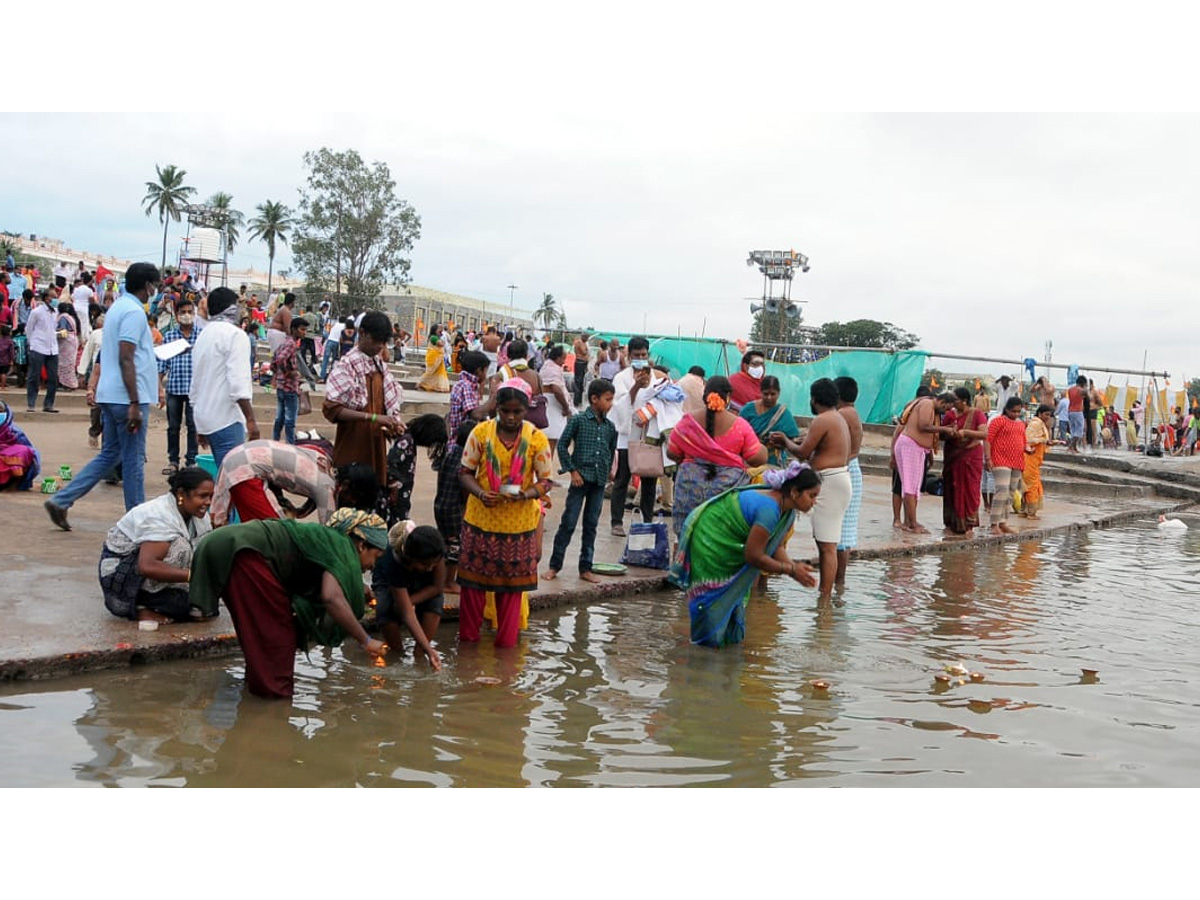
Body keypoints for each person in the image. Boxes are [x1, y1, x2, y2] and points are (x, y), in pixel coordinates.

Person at [188, 507, 389, 698]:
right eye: (376, 557)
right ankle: (274, 705)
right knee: (277, 639)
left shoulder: (332, 541)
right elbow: (331, 598)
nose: (372, 566)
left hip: (233, 546)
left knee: (263, 637)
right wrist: (367, 641)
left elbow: (329, 577)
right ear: (362, 545)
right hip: (246, 554)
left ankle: (258, 689)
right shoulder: (342, 547)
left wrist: (358, 588)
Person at [44, 263, 161, 529]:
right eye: (154, 285)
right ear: (147, 286)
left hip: (111, 394)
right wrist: (134, 401)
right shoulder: (133, 312)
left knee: (110, 455)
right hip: (126, 396)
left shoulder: (118, 307)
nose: (154, 291)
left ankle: (62, 499)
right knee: (133, 461)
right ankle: (136, 521)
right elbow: (126, 356)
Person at [670, 462, 820, 648]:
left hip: (726, 539)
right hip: (710, 540)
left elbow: (776, 546)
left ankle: (726, 655)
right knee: (708, 603)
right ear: (795, 492)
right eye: (811, 496)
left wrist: (793, 568)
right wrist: (789, 569)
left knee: (734, 604)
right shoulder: (769, 510)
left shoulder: (786, 511)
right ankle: (701, 654)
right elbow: (754, 556)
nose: (814, 501)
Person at [456, 378, 554, 648]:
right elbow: (465, 473)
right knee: (473, 590)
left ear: (526, 411)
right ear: (497, 408)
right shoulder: (481, 433)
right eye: (505, 411)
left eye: (517, 412)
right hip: (480, 521)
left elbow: (545, 481)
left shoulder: (536, 439)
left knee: (511, 594)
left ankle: (506, 656)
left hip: (518, 527)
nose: (510, 418)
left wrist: (526, 494)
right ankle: (467, 647)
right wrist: (479, 493)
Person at [768, 378, 852, 602]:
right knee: (827, 543)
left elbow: (803, 453)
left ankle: (824, 600)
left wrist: (786, 441)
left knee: (827, 546)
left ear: (814, 399)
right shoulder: (838, 417)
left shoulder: (823, 419)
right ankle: (826, 596)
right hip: (838, 480)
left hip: (831, 482)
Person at [99, 467, 214, 623]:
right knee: (181, 547)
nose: (208, 502)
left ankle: (164, 599)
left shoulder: (199, 516)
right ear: (181, 494)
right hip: (121, 576)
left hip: (153, 574)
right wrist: (195, 577)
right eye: (202, 496)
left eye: (210, 497)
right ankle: (139, 605)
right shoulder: (159, 515)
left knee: (205, 606)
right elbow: (147, 566)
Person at [668, 375, 766, 538]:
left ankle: (681, 562)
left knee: (686, 536)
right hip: (725, 495)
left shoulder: (688, 421)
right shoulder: (740, 426)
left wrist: (692, 460)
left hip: (689, 490)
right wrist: (762, 448)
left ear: (704, 395)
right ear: (728, 398)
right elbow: (756, 458)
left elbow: (672, 452)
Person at [545, 378, 617, 583]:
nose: (610, 404)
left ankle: (585, 567)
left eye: (611, 400)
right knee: (568, 522)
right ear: (594, 399)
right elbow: (562, 446)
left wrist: (609, 472)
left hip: (599, 481)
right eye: (607, 399)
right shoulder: (578, 420)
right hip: (580, 480)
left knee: (591, 524)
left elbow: (610, 452)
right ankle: (554, 566)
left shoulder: (610, 427)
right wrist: (572, 471)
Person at [323, 310, 405, 487]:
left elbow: (387, 404)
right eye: (376, 340)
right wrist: (373, 417)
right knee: (351, 495)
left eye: (383, 342)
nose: (379, 346)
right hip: (353, 445)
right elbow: (332, 408)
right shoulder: (346, 365)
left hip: (376, 446)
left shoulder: (379, 366)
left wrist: (392, 424)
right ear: (362, 334)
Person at [609, 336, 680, 536]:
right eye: (636, 355)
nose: (640, 358)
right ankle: (617, 521)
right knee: (622, 478)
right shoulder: (622, 378)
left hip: (650, 435)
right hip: (628, 436)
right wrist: (636, 387)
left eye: (644, 354)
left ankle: (647, 522)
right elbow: (618, 408)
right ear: (629, 356)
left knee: (649, 479)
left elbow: (665, 403)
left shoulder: (656, 378)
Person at [190, 286, 260, 471]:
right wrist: (251, 420)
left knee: (223, 477)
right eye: (238, 306)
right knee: (234, 479)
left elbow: (195, 383)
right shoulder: (236, 335)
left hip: (206, 416)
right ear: (231, 308)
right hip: (226, 418)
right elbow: (238, 382)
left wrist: (200, 424)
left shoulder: (204, 334)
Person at [209, 439, 337, 527]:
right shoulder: (326, 485)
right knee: (273, 532)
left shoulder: (316, 456)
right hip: (245, 469)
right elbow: (332, 532)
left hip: (243, 456)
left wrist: (297, 512)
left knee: (265, 528)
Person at [371, 521, 444, 669]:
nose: (430, 568)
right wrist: (404, 605)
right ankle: (398, 653)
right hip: (387, 582)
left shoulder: (434, 550)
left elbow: (437, 587)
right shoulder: (393, 561)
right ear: (410, 559)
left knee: (435, 603)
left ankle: (419, 652)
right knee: (386, 608)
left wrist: (427, 650)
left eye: (433, 564)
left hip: (423, 586)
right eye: (424, 564)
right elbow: (407, 614)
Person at [890, 390, 955, 534]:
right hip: (911, 446)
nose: (945, 412)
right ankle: (912, 524)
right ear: (942, 402)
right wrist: (944, 429)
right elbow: (923, 426)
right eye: (946, 408)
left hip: (916, 448)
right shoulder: (927, 403)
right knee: (910, 488)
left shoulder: (930, 406)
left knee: (913, 488)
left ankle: (909, 521)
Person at [158, 296, 201, 475]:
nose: (186, 315)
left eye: (189, 312)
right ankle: (173, 461)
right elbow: (162, 363)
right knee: (173, 426)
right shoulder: (170, 336)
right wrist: (160, 388)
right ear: (176, 315)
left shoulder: (201, 335)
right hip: (174, 388)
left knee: (193, 426)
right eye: (182, 312)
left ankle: (191, 461)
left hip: (194, 390)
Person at [435, 419, 476, 594]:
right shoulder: (464, 460)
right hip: (454, 508)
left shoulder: (451, 452)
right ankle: (448, 582)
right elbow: (464, 488)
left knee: (446, 543)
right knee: (455, 546)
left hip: (441, 504)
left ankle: (442, 580)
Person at [941, 386, 988, 536]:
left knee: (970, 489)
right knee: (952, 488)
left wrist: (966, 432)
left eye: (955, 400)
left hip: (971, 456)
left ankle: (969, 524)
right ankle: (952, 523)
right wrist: (950, 431)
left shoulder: (977, 414)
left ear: (964, 401)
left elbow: (983, 433)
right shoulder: (949, 415)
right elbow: (942, 434)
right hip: (953, 456)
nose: (953, 403)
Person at [385, 413, 447, 523]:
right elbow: (390, 464)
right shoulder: (407, 441)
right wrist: (393, 487)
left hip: (403, 493)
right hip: (397, 494)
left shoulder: (410, 442)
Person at [834, 376, 864, 587]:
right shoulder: (852, 413)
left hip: (846, 469)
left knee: (841, 535)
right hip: (851, 469)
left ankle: (839, 581)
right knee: (844, 532)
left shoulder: (842, 414)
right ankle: (839, 583)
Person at [985, 396, 1027, 535]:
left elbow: (1023, 440)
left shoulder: (1021, 424)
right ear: (1007, 409)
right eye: (1013, 411)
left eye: (1018, 412)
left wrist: (1027, 448)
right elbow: (988, 440)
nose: (1016, 414)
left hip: (1017, 460)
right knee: (1001, 491)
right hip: (1000, 459)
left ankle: (1003, 522)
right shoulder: (998, 421)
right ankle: (993, 523)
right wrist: (988, 458)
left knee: (1009, 493)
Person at [739, 374, 799, 467]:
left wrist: (782, 441)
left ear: (779, 393)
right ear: (760, 392)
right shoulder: (748, 409)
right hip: (749, 460)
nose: (769, 398)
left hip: (773, 462)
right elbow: (738, 433)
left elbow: (793, 440)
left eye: (773, 394)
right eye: (766, 394)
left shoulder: (783, 413)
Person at [272, 318, 308, 445]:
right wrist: (289, 372)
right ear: (294, 330)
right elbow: (281, 359)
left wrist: (279, 373)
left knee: (279, 418)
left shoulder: (284, 343)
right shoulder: (291, 344)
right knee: (290, 420)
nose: (304, 333)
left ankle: (275, 441)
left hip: (281, 386)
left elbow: (274, 360)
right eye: (302, 330)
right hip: (289, 387)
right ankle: (290, 445)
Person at [24, 287, 60, 413]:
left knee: (53, 377)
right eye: (53, 297)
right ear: (46, 298)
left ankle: (48, 404)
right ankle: (31, 403)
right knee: (34, 376)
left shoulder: (56, 312)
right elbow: (29, 329)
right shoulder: (37, 312)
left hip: (52, 348)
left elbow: (53, 329)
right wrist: (31, 343)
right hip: (38, 346)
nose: (55, 299)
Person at [539, 344, 574, 456]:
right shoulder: (551, 369)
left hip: (550, 407)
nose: (564, 362)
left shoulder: (548, 366)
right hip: (552, 409)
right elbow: (556, 389)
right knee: (549, 444)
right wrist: (565, 407)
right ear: (557, 358)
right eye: (563, 358)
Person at [1022, 403, 1055, 519]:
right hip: (1030, 459)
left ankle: (1024, 511)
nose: (1047, 417)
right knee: (1032, 486)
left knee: (1029, 486)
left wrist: (1049, 442)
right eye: (1046, 414)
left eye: (1049, 415)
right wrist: (1043, 439)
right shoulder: (1036, 424)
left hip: (1034, 460)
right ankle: (1031, 513)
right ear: (1040, 413)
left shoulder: (1040, 424)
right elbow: (1029, 440)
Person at [447, 350, 489, 438]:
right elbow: (475, 414)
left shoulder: (467, 385)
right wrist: (492, 402)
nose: (486, 375)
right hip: (461, 441)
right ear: (479, 370)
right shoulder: (466, 386)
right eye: (485, 371)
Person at [0, 400, 41, 491]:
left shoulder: (13, 431)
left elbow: (30, 452)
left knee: (22, 451)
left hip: (7, 465)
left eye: (0, 411)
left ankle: (12, 484)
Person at [55, 301, 81, 390]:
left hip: (66, 343)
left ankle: (66, 384)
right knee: (70, 364)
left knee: (64, 364)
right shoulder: (71, 317)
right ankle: (71, 384)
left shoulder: (62, 318)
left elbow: (63, 331)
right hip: (72, 341)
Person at [266, 291, 295, 356]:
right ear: (292, 302)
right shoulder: (286, 311)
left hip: (275, 333)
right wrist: (291, 338)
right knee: (279, 355)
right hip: (277, 333)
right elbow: (287, 327)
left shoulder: (283, 309)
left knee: (278, 354)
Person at [1066, 375, 1087, 454]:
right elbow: (1086, 394)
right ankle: (1071, 446)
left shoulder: (1070, 389)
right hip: (1078, 411)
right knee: (1079, 431)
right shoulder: (1081, 390)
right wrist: (1085, 388)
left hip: (1070, 411)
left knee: (1073, 431)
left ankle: (1073, 448)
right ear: (1083, 383)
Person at [571, 332, 590, 407]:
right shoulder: (579, 343)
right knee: (578, 382)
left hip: (584, 363)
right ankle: (576, 400)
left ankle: (579, 400)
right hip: (579, 362)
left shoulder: (584, 343)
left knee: (582, 382)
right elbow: (584, 352)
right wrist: (586, 350)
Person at [0, 325, 13, 391]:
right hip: (6, 360)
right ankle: (3, 387)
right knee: (4, 373)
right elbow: (11, 352)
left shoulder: (0, 340)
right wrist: (11, 360)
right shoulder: (9, 341)